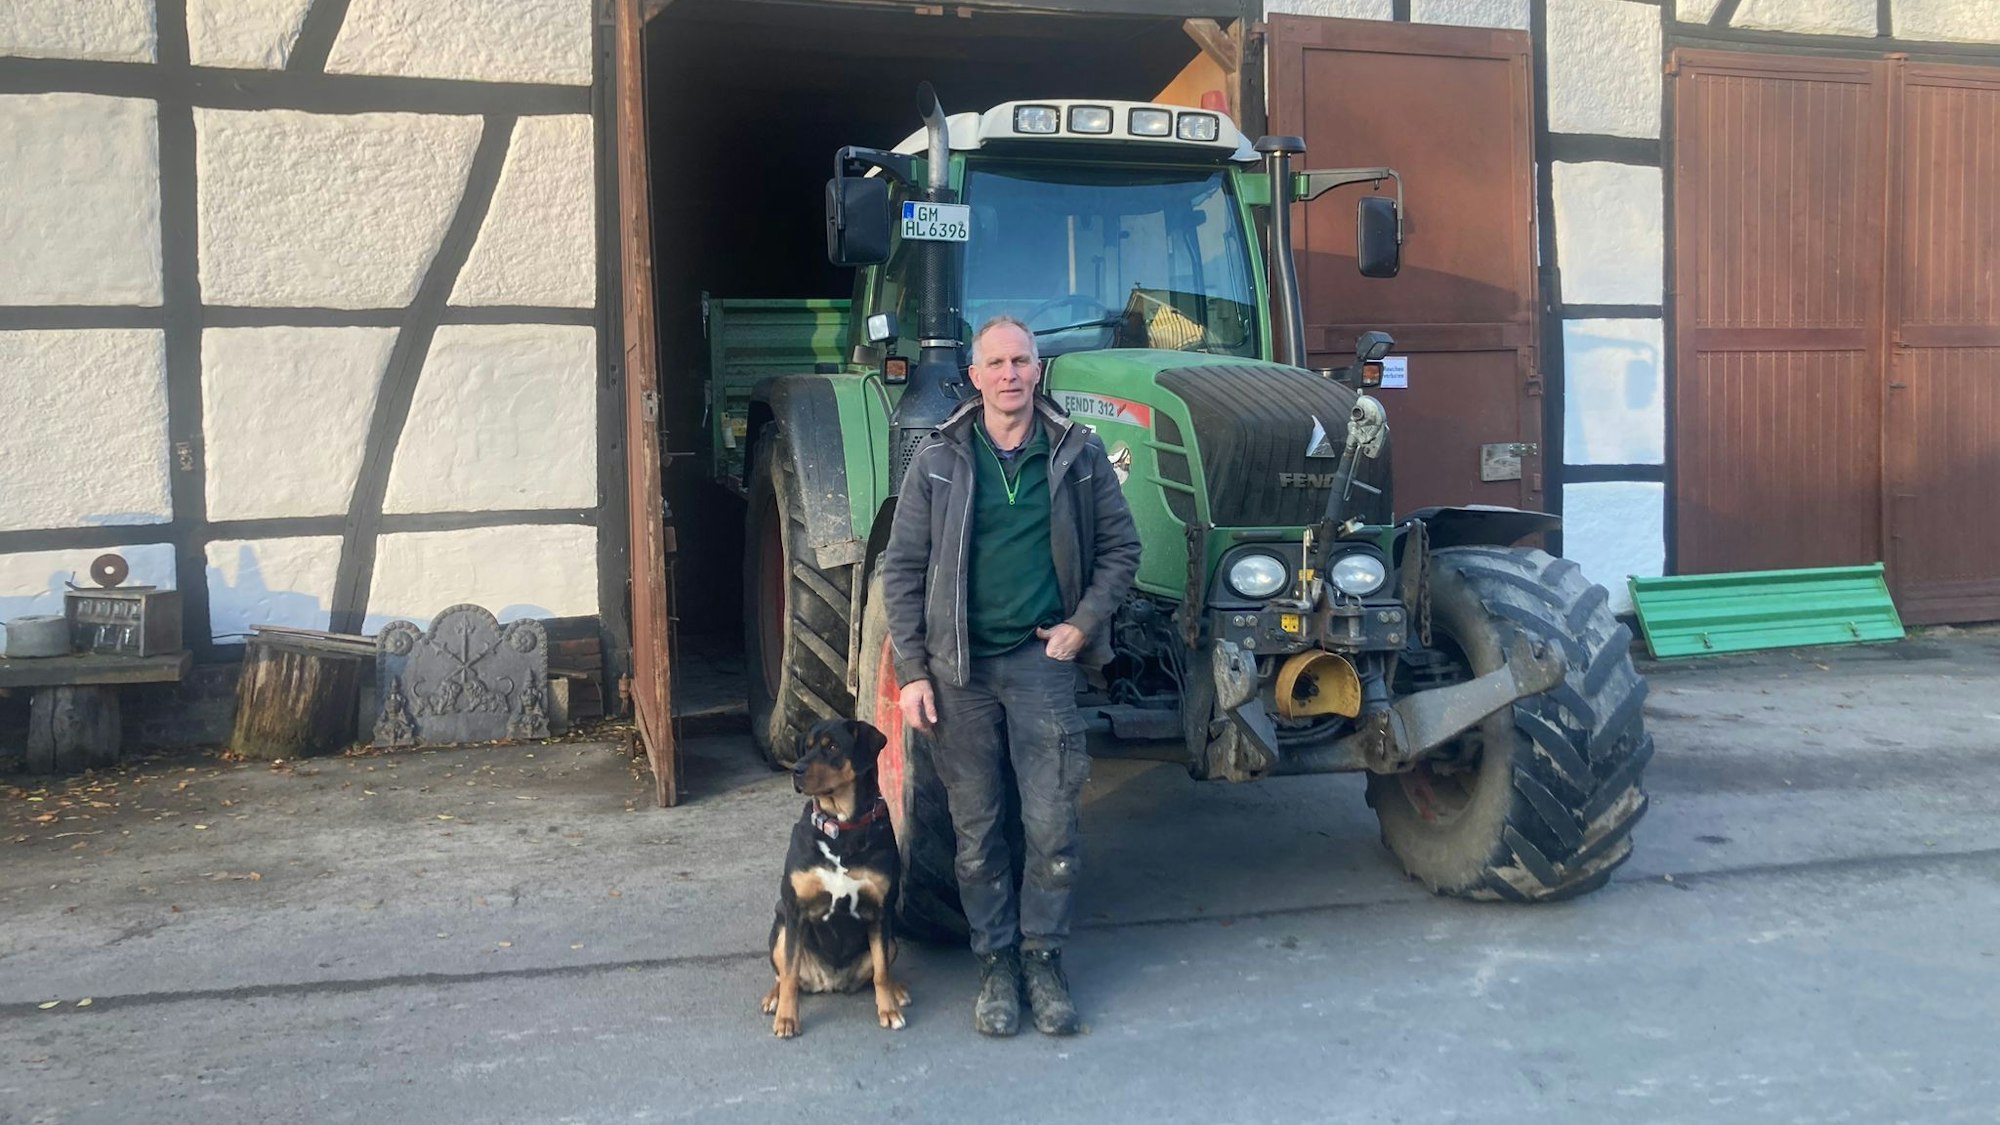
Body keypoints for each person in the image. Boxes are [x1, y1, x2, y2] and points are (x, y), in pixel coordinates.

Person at [879, 315, 1142, 1037]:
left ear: (1037, 370)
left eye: (1021, 361)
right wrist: (913, 671)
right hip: (958, 670)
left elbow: (1122, 549)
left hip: (1040, 665)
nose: (1009, 374)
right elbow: (901, 570)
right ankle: (995, 962)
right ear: (973, 375)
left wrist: (1081, 625)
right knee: (977, 831)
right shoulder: (938, 460)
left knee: (1052, 822)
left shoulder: (1077, 453)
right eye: (995, 362)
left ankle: (1043, 959)